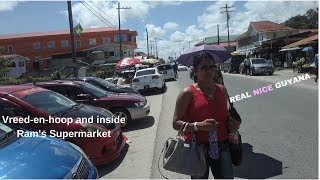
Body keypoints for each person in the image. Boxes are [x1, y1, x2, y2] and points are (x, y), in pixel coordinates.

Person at [172, 52, 240, 179]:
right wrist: (198, 126)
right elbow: (176, 124)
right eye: (204, 68)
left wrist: (232, 122)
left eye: (212, 67)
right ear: (195, 71)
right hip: (196, 149)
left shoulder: (222, 90)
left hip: (222, 146)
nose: (209, 71)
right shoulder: (187, 93)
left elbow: (227, 115)